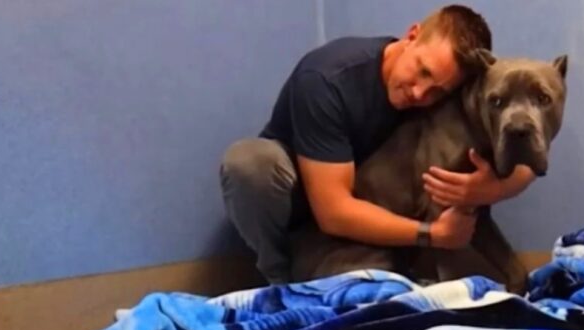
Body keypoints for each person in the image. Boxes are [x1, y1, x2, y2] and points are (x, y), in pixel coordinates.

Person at [219, 4, 536, 284]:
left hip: (374, 223)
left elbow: (526, 154)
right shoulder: (327, 78)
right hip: (309, 212)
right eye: (422, 71)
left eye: (437, 91)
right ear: (412, 35)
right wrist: (433, 236)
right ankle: (279, 279)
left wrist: (491, 188)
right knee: (250, 164)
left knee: (372, 295)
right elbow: (333, 212)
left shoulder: (453, 86)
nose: (420, 93)